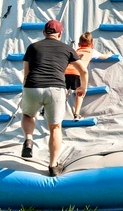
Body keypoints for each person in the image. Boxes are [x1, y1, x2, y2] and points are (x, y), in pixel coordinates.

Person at [21, 19, 88, 176]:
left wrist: (27, 89)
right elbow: (83, 71)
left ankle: (29, 139)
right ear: (60, 33)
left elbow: (26, 72)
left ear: (44, 33)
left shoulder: (33, 47)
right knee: (55, 128)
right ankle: (53, 166)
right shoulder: (67, 49)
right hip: (56, 89)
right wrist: (82, 87)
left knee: (28, 115)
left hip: (33, 86)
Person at [65, 32, 113, 120]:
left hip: (66, 72)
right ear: (92, 44)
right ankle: (76, 114)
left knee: (65, 91)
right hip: (77, 73)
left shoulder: (76, 51)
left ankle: (57, 106)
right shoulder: (91, 51)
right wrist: (109, 54)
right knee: (80, 92)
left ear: (79, 44)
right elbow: (104, 56)